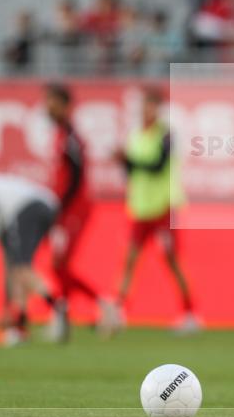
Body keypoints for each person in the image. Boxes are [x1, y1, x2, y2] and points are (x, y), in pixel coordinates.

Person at [112, 88, 199, 335]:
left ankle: (190, 313)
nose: (145, 111)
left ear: (158, 108)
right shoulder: (135, 135)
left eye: (150, 106)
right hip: (140, 208)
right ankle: (119, 310)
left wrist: (127, 160)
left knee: (171, 260)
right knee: (129, 260)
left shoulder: (167, 135)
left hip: (162, 207)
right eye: (143, 106)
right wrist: (124, 162)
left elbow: (157, 166)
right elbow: (132, 172)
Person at [0, 173, 65, 347]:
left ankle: (57, 307)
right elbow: (8, 268)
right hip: (43, 206)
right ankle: (18, 324)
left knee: (21, 268)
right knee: (15, 268)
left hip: (31, 208)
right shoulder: (0, 215)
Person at [44, 83, 114, 341]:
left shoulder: (70, 137)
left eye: (51, 102)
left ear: (64, 105)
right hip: (66, 209)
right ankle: (65, 316)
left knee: (58, 264)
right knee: (57, 266)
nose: (47, 107)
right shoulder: (62, 134)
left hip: (73, 210)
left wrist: (60, 208)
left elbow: (76, 175)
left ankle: (101, 305)